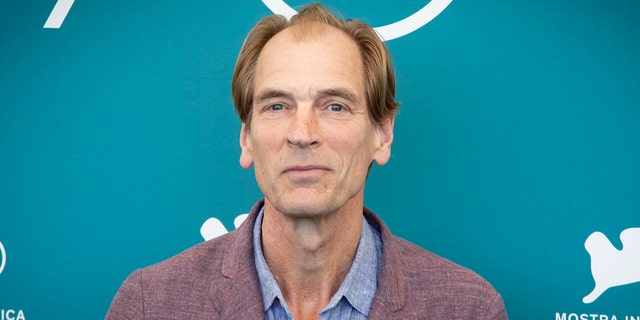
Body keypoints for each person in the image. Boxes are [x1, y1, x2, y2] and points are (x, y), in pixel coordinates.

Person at [106, 3, 508, 319]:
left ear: (382, 135)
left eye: (334, 106)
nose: (302, 133)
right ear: (246, 139)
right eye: (277, 106)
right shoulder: (149, 304)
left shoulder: (468, 308)